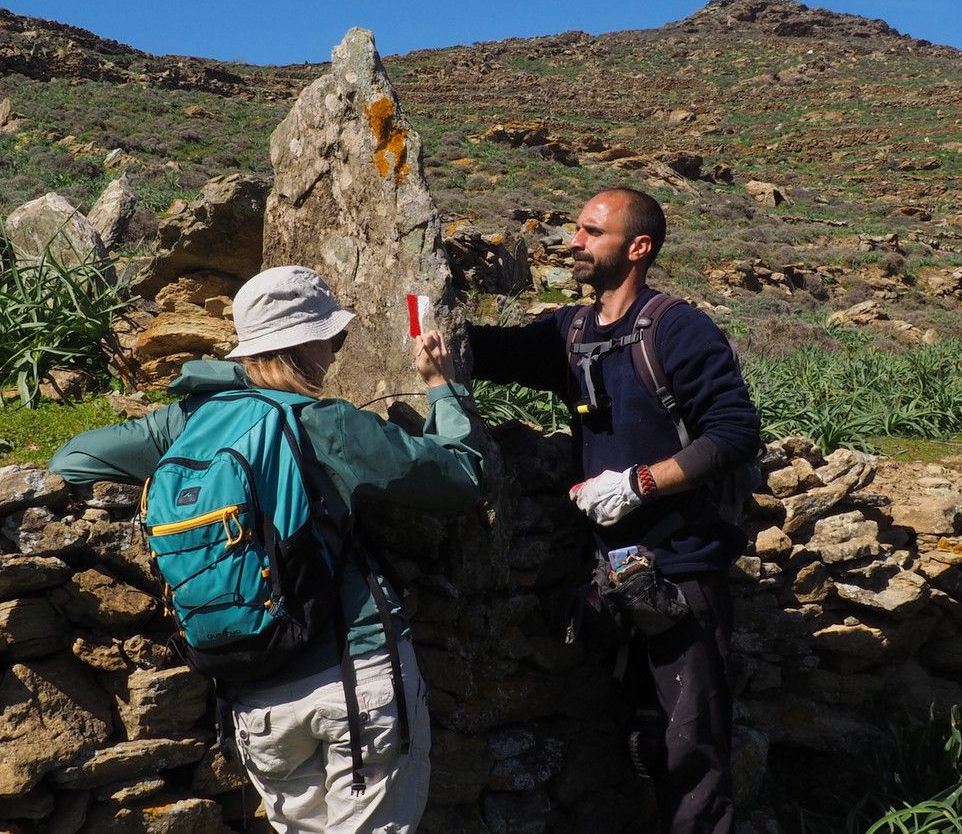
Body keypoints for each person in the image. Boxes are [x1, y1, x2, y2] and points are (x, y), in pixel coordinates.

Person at [50, 265, 486, 833]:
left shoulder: (187, 422)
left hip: (252, 691)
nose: (335, 349)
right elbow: (459, 478)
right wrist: (442, 388)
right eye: (333, 337)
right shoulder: (321, 421)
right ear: (307, 342)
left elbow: (72, 461)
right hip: (352, 673)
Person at [468, 188, 760, 834]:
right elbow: (495, 353)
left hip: (681, 577)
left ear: (638, 248)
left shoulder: (677, 329)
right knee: (628, 749)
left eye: (590, 231)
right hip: (609, 582)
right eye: (576, 228)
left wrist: (642, 483)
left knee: (691, 761)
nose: (573, 241)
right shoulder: (570, 332)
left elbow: (736, 433)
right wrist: (425, 326)